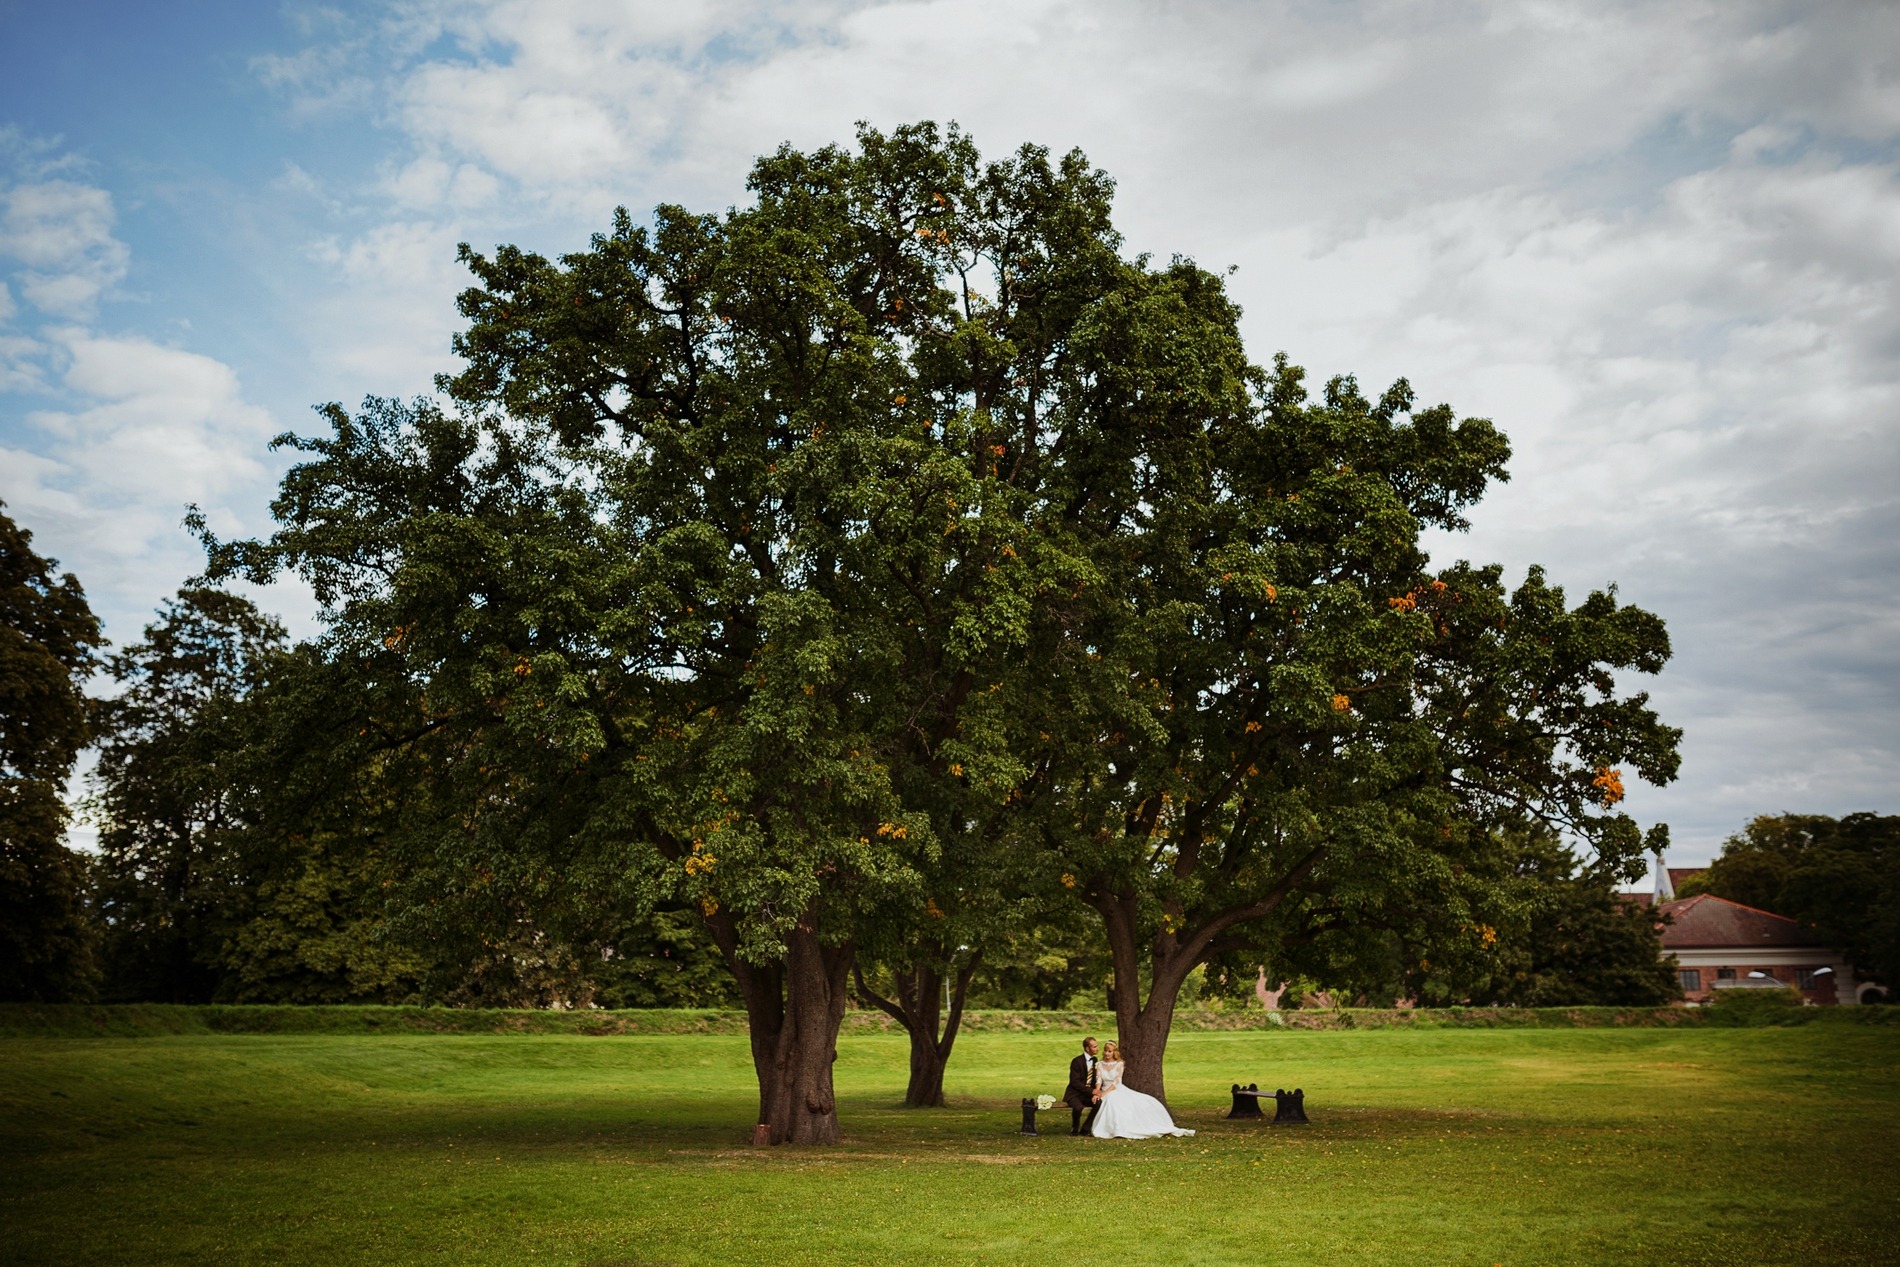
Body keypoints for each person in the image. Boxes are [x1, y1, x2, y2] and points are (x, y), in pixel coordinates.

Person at [1090, 1040, 1195, 1139]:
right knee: (1107, 1100)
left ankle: (1119, 1128)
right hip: (1104, 1089)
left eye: (1110, 1051)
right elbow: (1099, 1080)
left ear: (1114, 1052)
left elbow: (1116, 1082)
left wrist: (1105, 1093)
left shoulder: (1119, 1064)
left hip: (1116, 1089)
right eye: (1105, 1051)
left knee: (1113, 1100)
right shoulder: (1100, 1064)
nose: (1107, 1053)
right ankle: (1109, 1128)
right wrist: (1098, 1092)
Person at [1063, 1036, 1100, 1136]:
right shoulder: (1077, 1061)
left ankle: (1085, 1128)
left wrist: (1096, 1093)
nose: (1098, 1048)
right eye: (1095, 1047)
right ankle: (1074, 1128)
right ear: (1087, 1049)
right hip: (1075, 1093)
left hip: (1087, 1095)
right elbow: (1075, 1082)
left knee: (1099, 1103)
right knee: (1078, 1107)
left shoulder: (1095, 1060)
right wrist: (1091, 1091)